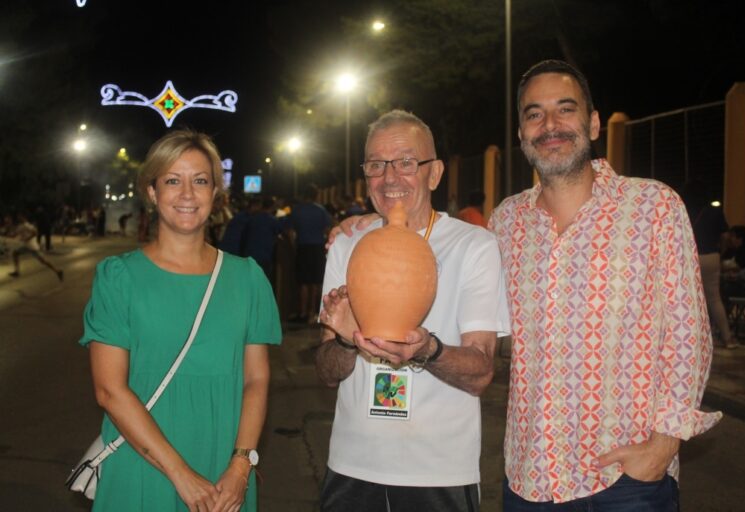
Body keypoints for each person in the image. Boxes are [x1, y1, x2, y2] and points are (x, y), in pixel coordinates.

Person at [489, 60, 720, 510]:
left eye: (565, 109)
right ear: (520, 133)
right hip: (527, 479)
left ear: (593, 122)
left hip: (624, 481)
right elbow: (444, 271)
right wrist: (374, 228)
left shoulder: (652, 206)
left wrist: (663, 446)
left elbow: (687, 334)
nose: (550, 125)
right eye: (534, 114)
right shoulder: (505, 222)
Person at [316, 110, 509, 512]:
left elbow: (481, 373)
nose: (390, 178)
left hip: (439, 473)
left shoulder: (473, 246)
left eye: (406, 162)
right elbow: (327, 372)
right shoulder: (348, 246)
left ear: (434, 173)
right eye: (376, 165)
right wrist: (349, 342)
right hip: (352, 467)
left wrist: (426, 350)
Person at [79, 129, 281, 512]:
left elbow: (256, 380)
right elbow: (109, 390)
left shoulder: (247, 277)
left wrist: (241, 466)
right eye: (173, 180)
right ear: (152, 193)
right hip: (143, 465)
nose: (187, 194)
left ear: (215, 193)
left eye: (200, 181)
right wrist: (181, 475)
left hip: (226, 473)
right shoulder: (118, 277)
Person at [681, 181, 736, 348]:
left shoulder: (685, 211)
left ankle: (694, 340)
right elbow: (726, 237)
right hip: (712, 256)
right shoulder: (715, 212)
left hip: (691, 257)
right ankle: (727, 338)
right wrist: (721, 251)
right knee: (714, 298)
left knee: (690, 299)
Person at [287, 184, 333, 323]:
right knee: (316, 282)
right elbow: (328, 230)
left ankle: (302, 312)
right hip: (317, 248)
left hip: (303, 247)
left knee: (303, 282)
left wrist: (293, 245)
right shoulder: (321, 210)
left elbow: (289, 231)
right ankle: (312, 313)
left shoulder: (297, 210)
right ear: (316, 195)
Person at [7, 211, 63, 281]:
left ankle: (57, 271)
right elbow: (13, 234)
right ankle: (17, 271)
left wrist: (28, 238)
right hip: (26, 246)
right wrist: (9, 227)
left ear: (23, 217)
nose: (18, 217)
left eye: (20, 216)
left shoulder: (27, 225)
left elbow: (35, 232)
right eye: (18, 216)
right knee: (15, 253)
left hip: (32, 247)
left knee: (43, 261)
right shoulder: (21, 226)